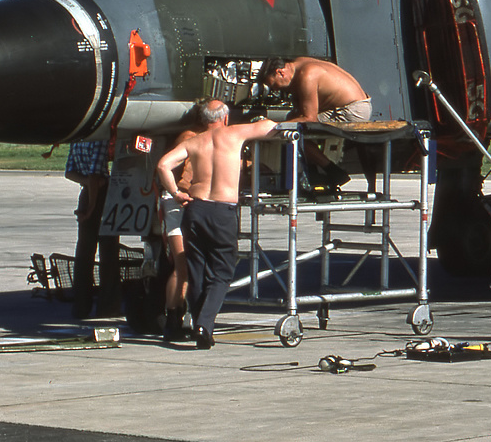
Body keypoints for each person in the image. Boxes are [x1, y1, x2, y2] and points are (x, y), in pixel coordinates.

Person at [155, 100, 280, 349]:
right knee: (222, 272)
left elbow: (163, 165)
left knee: (197, 268)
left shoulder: (193, 142)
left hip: (195, 208)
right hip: (222, 210)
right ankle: (204, 324)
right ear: (224, 118)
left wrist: (176, 192)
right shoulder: (234, 134)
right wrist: (257, 120)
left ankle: (200, 323)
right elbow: (271, 126)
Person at [258, 56, 372, 187]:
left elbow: (309, 119)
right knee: (294, 118)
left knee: (292, 129)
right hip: (358, 105)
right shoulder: (298, 63)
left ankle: (332, 171)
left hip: (352, 111)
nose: (275, 90)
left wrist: (274, 127)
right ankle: (314, 172)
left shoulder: (307, 76)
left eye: (274, 85)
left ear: (280, 72)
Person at [64, 140, 117, 320]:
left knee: (84, 251)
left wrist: (85, 183)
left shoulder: (77, 141)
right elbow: (95, 175)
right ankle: (107, 305)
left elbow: (69, 172)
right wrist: (92, 207)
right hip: (101, 194)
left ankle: (81, 306)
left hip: (86, 192)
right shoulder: (98, 140)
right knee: (108, 251)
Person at [158, 122, 199, 342]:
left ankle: (177, 315)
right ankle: (173, 316)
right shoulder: (190, 137)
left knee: (183, 265)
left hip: (180, 200)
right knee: (181, 264)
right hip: (177, 200)